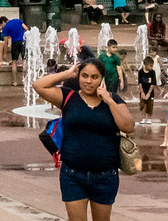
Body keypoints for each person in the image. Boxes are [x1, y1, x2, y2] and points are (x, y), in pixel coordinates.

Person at [31, 57, 133, 220]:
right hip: (72, 174)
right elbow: (38, 85)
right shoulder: (68, 97)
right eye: (84, 76)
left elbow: (128, 126)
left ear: (102, 78)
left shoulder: (113, 99)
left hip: (105, 176)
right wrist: (68, 73)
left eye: (94, 77)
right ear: (79, 77)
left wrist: (108, 100)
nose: (88, 81)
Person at [3, 10, 29, 84]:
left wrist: (5, 53)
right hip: (23, 42)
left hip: (15, 43)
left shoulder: (5, 27)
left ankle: (15, 81)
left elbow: (5, 42)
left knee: (14, 62)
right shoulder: (18, 21)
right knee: (25, 61)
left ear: (3, 22)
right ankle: (27, 80)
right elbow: (26, 28)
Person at [134, 52, 158, 121]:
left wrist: (148, 93)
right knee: (143, 105)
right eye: (150, 66)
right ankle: (143, 118)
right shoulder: (141, 72)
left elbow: (153, 83)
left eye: (152, 66)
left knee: (150, 105)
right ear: (145, 65)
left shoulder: (152, 72)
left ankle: (149, 118)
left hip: (150, 92)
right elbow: (140, 83)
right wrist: (142, 92)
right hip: (143, 91)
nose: (152, 67)